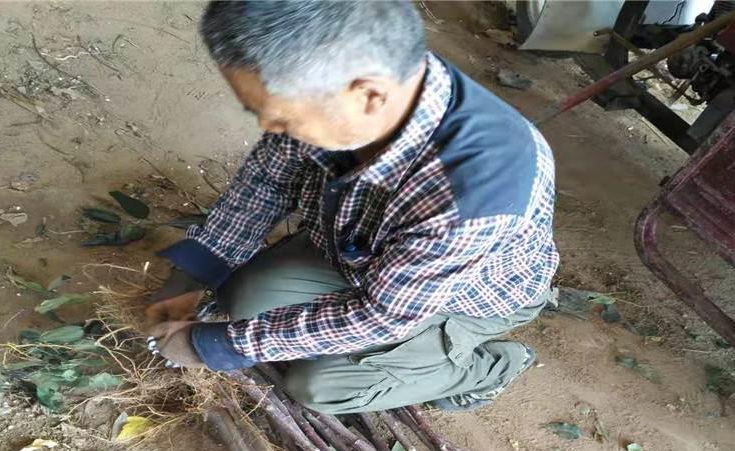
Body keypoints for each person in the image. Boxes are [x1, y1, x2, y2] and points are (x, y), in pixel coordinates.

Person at [146, 0, 558, 415]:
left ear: (368, 96)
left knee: (321, 386)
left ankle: (490, 369)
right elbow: (268, 181)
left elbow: (381, 315)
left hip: (460, 298)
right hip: (366, 261)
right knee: (243, 297)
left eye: (279, 117)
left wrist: (219, 347)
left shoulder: (473, 197)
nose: (269, 129)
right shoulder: (358, 76)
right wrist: (196, 270)